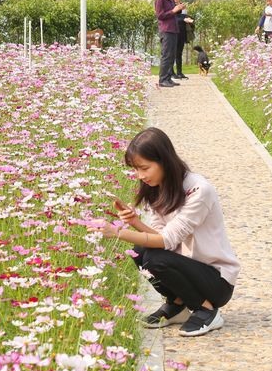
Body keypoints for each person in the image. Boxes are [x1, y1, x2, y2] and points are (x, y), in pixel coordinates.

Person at [88, 127, 240, 337]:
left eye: (144, 168)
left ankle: (206, 310)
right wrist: (135, 222)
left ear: (164, 160)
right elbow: (159, 236)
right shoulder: (159, 187)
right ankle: (178, 305)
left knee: (155, 258)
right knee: (141, 251)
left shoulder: (198, 190)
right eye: (135, 169)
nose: (140, 176)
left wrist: (116, 232)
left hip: (216, 280)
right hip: (187, 268)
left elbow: (166, 240)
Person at [154, 0, 185, 88]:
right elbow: (160, 16)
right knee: (166, 55)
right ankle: (162, 79)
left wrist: (179, 8)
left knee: (172, 55)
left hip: (174, 29)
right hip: (166, 30)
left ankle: (168, 78)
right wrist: (173, 11)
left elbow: (174, 13)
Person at [172, 0, 193, 80]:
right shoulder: (170, 6)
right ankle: (171, 73)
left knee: (179, 53)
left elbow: (185, 17)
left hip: (182, 32)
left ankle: (179, 72)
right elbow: (172, 19)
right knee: (171, 53)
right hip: (172, 33)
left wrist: (189, 20)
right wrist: (183, 19)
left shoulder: (183, 6)